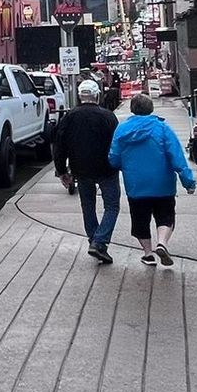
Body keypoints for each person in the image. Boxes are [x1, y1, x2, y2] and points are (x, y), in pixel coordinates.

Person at [108, 94, 196, 266]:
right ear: (151, 109)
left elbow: (114, 158)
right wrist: (188, 181)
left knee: (140, 219)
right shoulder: (162, 128)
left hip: (136, 185)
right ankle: (162, 243)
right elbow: (177, 157)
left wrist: (124, 166)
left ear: (133, 109)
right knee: (165, 216)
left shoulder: (121, 130)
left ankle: (148, 253)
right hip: (163, 184)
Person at [52, 79, 120, 264]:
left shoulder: (70, 117)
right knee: (112, 206)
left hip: (81, 168)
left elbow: (60, 145)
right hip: (107, 168)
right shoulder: (108, 116)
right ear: (97, 95)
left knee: (87, 206)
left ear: (80, 96)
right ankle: (99, 242)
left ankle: (95, 241)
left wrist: (61, 170)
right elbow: (117, 144)